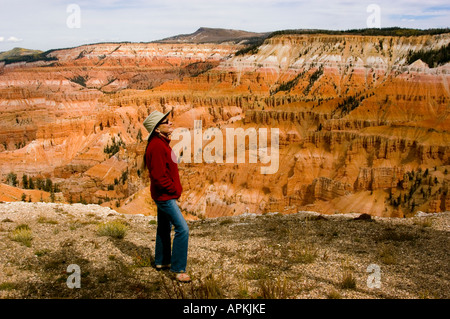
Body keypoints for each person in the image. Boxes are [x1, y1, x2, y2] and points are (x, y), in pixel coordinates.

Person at [143, 110, 190, 282]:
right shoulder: (156, 146)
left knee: (163, 227)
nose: (170, 123)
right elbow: (158, 176)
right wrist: (174, 191)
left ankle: (161, 262)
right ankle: (178, 269)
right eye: (166, 121)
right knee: (182, 229)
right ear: (157, 129)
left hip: (164, 195)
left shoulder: (160, 142)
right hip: (164, 196)